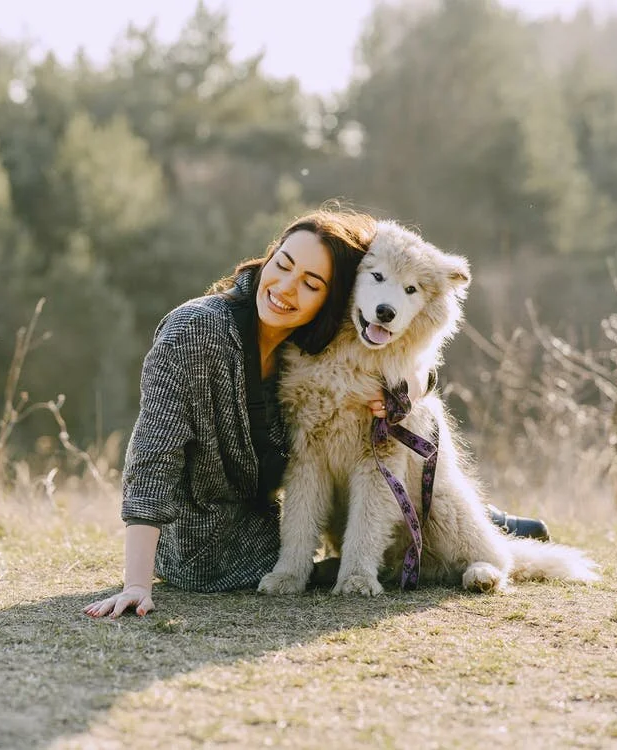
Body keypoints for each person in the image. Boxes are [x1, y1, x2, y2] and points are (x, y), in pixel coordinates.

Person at [83, 209, 548, 619]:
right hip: (219, 531)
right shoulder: (199, 331)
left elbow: (408, 361)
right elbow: (152, 456)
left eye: (311, 283)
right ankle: (489, 527)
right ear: (268, 257)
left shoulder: (313, 337)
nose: (287, 288)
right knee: (311, 534)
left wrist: (411, 390)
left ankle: (482, 530)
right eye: (282, 265)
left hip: (278, 510)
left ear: (331, 294)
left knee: (403, 477)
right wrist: (136, 583)